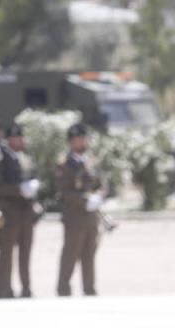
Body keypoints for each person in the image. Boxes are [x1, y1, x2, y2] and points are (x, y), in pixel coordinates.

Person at [57, 122, 103, 297]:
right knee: (70, 253)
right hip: (74, 215)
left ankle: (89, 288)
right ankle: (63, 288)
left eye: (85, 139)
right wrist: (85, 200)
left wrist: (98, 196)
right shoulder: (65, 163)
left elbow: (99, 183)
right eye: (79, 139)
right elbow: (65, 191)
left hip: (91, 216)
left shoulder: (90, 161)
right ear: (71, 142)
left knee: (89, 254)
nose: (83, 142)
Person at [0, 124, 39, 298]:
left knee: (25, 251)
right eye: (16, 137)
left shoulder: (24, 157)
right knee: (6, 252)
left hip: (25, 211)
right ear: (9, 139)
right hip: (9, 209)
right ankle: (3, 288)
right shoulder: (2, 157)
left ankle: (26, 287)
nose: (20, 140)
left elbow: (31, 176)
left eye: (21, 137)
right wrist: (19, 189)